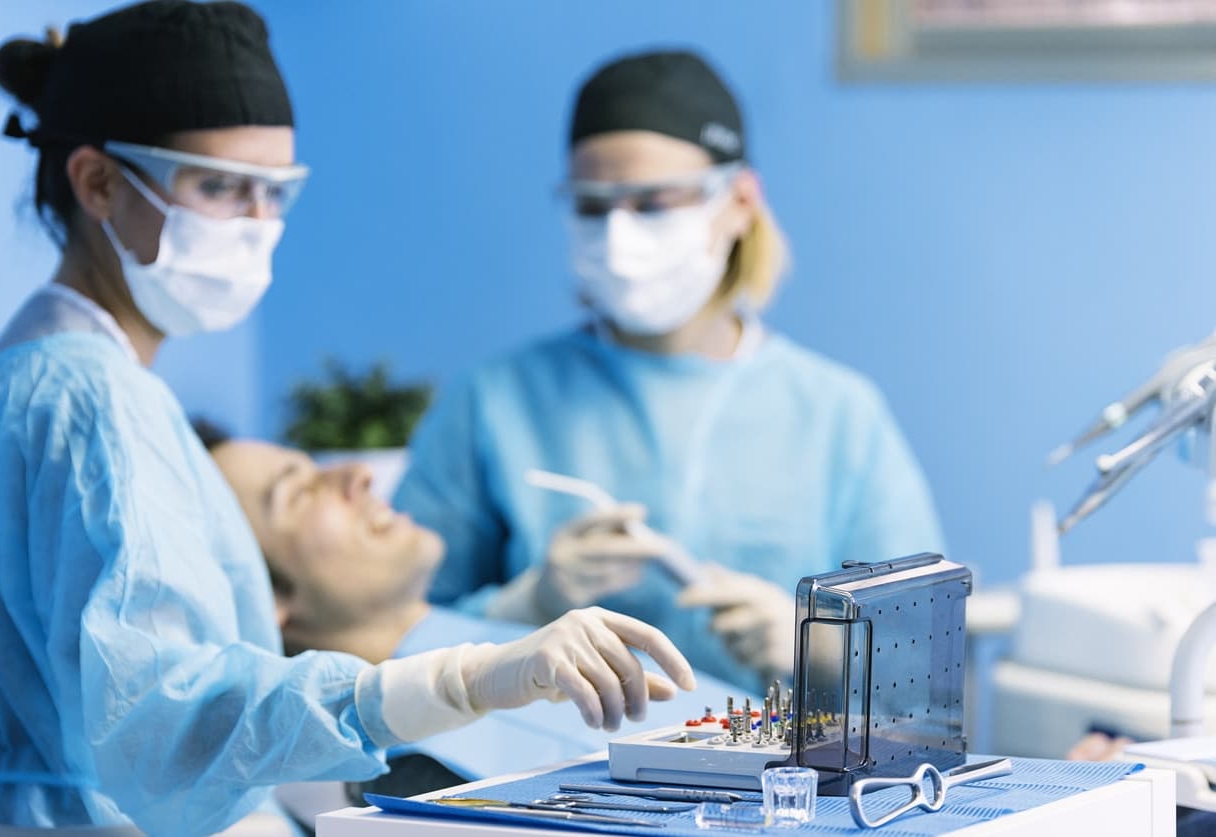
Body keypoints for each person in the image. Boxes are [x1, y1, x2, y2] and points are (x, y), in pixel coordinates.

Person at [0, 5, 694, 834]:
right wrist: (466, 678)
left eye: (274, 192)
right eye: (218, 187)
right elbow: (167, 722)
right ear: (97, 182)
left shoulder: (10, 376)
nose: (255, 224)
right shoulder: (90, 398)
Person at [393, 49, 944, 693]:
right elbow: (396, 639)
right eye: (593, 208)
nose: (619, 237)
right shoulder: (495, 401)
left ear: (739, 202)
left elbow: (923, 666)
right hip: (552, 779)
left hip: (782, 784)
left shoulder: (836, 412)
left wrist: (816, 650)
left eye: (653, 203)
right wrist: (527, 605)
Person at [198, 425, 743, 795]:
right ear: (264, 597)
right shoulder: (405, 781)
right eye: (299, 493)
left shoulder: (495, 627)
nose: (356, 474)